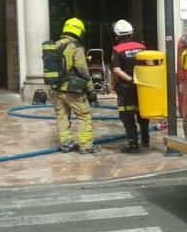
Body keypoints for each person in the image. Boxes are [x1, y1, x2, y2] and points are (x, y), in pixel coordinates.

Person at [53, 17, 99, 154]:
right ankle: (86, 146)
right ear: (79, 31)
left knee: (62, 116)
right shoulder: (76, 47)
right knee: (84, 116)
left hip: (56, 89)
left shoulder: (55, 45)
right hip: (73, 90)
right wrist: (91, 90)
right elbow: (83, 71)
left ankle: (66, 144)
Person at [110, 19, 150, 153]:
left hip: (126, 88)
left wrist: (130, 79)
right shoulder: (142, 47)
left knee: (127, 116)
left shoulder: (117, 49)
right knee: (142, 113)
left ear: (117, 35)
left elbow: (116, 70)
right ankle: (145, 139)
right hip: (142, 87)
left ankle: (133, 145)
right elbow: (149, 65)